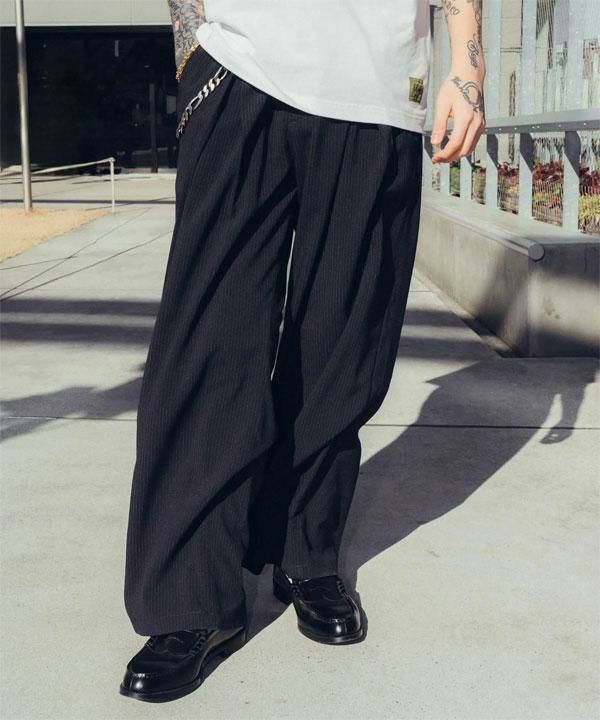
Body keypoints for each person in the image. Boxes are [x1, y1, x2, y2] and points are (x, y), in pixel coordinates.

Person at [119, 0, 485, 703]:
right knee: (208, 341)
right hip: (240, 67)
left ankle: (304, 551)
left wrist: (468, 69)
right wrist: (193, 57)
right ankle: (188, 600)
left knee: (343, 346)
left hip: (378, 90)